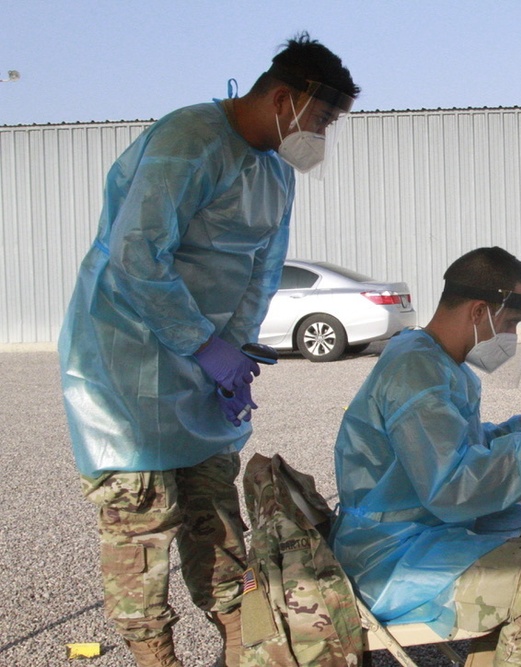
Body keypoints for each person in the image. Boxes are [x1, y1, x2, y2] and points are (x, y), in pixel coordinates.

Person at [58, 33, 359, 667]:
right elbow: (136, 256)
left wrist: (236, 352)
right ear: (282, 98)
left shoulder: (276, 174)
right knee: (141, 524)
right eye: (323, 119)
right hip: (126, 366)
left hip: (202, 371)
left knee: (216, 517)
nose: (323, 137)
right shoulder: (188, 141)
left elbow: (264, 270)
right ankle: (154, 656)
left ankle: (237, 645)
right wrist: (202, 344)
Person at [332, 246, 521, 667]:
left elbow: (457, 446)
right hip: (389, 558)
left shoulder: (433, 358)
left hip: (416, 526)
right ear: (478, 311)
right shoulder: (417, 372)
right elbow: (452, 488)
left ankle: (505, 648)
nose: (511, 336)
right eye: (510, 322)